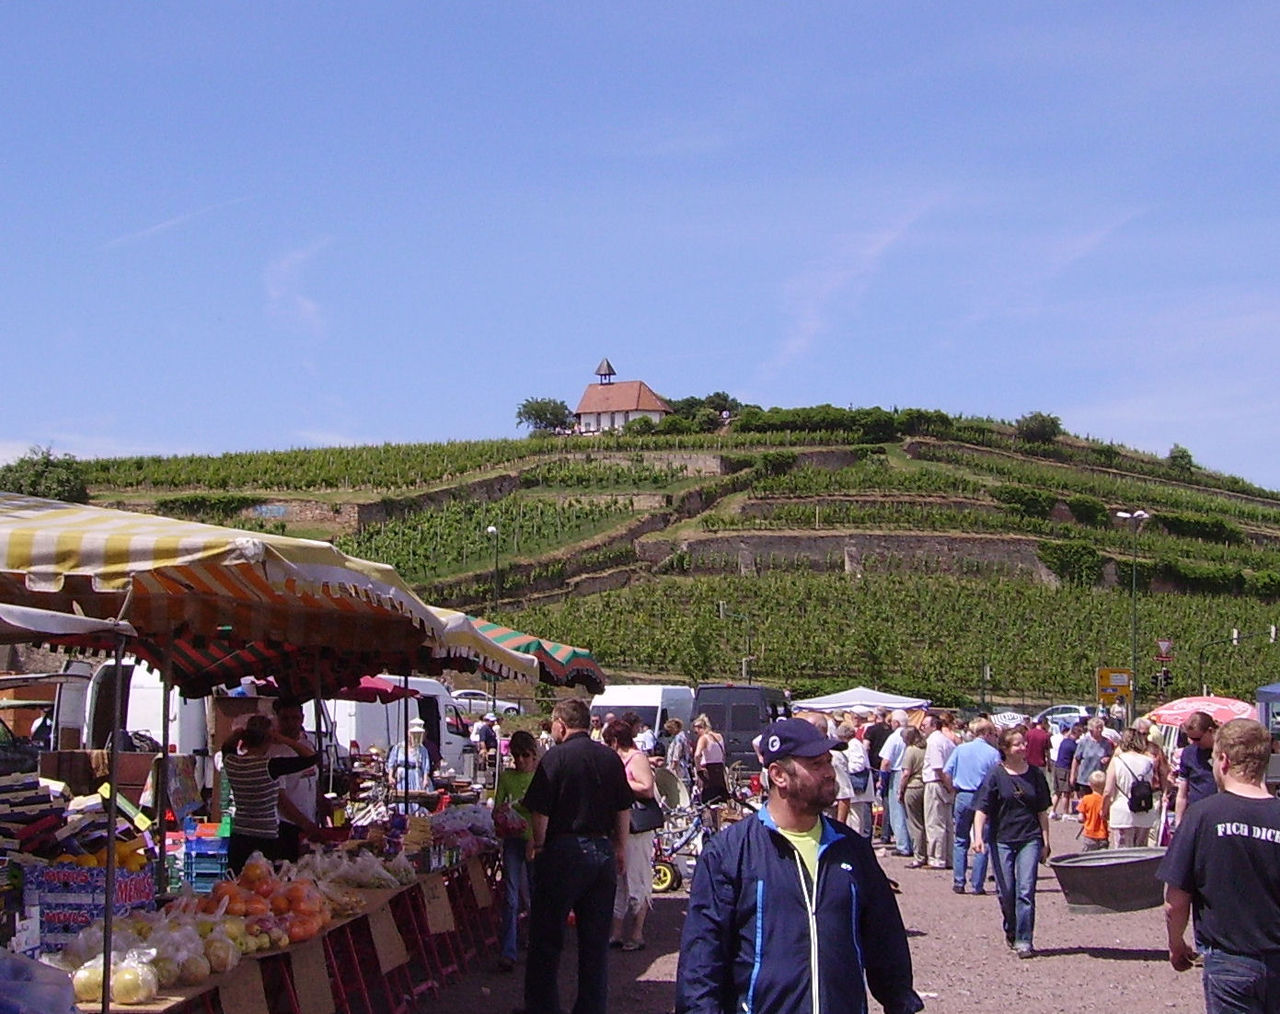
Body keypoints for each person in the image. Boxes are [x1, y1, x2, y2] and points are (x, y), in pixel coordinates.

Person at [676, 717, 923, 1014]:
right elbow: (702, 957)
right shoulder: (729, 853)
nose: (829, 773)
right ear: (779, 775)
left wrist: (900, 1002)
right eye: (816, 764)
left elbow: (885, 941)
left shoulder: (852, 849)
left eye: (828, 762)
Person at [519, 699, 633, 1014]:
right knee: (595, 944)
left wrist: (539, 845)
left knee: (547, 937)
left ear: (562, 724)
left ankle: (542, 1008)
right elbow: (624, 807)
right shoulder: (610, 759)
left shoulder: (555, 758)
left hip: (564, 850)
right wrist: (621, 847)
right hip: (602, 850)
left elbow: (540, 811)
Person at [1159, 718, 1280, 1010]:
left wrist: (1177, 946)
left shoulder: (1202, 816)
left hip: (1229, 962)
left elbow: (1175, 900)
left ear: (1223, 760)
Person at [972, 726, 1052, 959]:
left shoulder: (1036, 775)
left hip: (1030, 838)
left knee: (1025, 890)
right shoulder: (995, 775)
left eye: (1023, 743)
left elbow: (1042, 811)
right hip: (1001, 839)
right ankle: (1011, 928)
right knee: (1006, 890)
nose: (1023, 747)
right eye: (1017, 744)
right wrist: (978, 837)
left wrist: (1046, 841)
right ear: (1005, 749)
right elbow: (982, 809)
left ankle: (1024, 939)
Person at [220, 714, 318, 873]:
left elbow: (226, 747)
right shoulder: (270, 766)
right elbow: (310, 757)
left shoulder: (232, 762)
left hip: (240, 836)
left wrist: (238, 734)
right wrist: (283, 738)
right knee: (265, 888)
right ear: (268, 739)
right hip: (267, 838)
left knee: (238, 886)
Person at [602, 718, 656, 951]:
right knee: (619, 880)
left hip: (637, 827)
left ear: (615, 741)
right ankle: (615, 932)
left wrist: (621, 782)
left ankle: (637, 933)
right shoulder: (618, 759)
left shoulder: (637, 758)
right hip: (619, 826)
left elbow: (647, 787)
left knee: (637, 878)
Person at [494, 730, 538, 972]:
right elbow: (498, 806)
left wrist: (534, 840)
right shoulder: (507, 777)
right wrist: (501, 813)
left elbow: (541, 813)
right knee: (511, 897)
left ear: (533, 756)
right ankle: (508, 950)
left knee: (533, 895)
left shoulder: (539, 777)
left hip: (534, 841)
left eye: (525, 755)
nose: (520, 760)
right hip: (512, 840)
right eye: (516, 755)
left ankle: (535, 942)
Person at [944, 717, 1000, 894]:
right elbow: (997, 777)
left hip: (963, 794)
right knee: (983, 840)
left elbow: (946, 771)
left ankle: (959, 881)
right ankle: (977, 884)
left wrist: (951, 787)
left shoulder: (961, 749)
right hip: (983, 797)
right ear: (986, 733)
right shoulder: (992, 753)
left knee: (960, 839)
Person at [267, 698, 322, 861]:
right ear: (277, 719)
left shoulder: (307, 745)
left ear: (302, 719)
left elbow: (313, 779)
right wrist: (304, 823)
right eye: (285, 719)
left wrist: (321, 800)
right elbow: (279, 798)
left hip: (309, 822)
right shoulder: (275, 752)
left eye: (295, 718)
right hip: (286, 826)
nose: (291, 723)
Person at [1103, 726, 1159, 848]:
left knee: (1122, 856)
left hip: (1122, 812)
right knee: (1140, 856)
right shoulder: (1149, 761)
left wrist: (1104, 809)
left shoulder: (1117, 761)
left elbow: (1108, 790)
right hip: (1144, 811)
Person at [922, 712, 956, 869]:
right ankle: (948, 857)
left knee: (935, 823)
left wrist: (947, 784)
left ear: (934, 726)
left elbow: (938, 767)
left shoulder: (934, 741)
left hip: (936, 782)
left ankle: (937, 858)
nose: (923, 729)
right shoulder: (947, 741)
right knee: (947, 823)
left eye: (925, 726)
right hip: (945, 783)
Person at [1174, 711, 1219, 828]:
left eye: (1198, 738)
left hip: (1219, 813)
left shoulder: (1225, 752)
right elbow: (1182, 793)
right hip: (1195, 813)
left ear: (1210, 731)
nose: (1194, 742)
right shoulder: (1188, 753)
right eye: (1190, 738)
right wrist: (1178, 822)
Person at [879, 710, 913, 857]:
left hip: (897, 772)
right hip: (910, 772)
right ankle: (910, 843)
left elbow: (886, 761)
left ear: (896, 722)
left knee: (896, 810)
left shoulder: (894, 737)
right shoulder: (911, 735)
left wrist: (882, 778)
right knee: (908, 812)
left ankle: (903, 845)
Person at [834, 720, 875, 835]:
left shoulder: (854, 744)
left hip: (858, 787)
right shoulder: (852, 744)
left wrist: (844, 768)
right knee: (852, 817)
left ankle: (858, 838)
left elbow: (858, 765)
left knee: (856, 817)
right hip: (853, 788)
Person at [387, 717, 435, 813]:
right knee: (401, 801)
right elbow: (391, 762)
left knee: (415, 799)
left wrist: (425, 779)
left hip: (415, 775)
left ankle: (414, 816)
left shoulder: (422, 749)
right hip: (402, 776)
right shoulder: (398, 747)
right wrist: (390, 776)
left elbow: (425, 766)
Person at [899, 727, 928, 869]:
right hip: (925, 786)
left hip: (912, 787)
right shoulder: (926, 748)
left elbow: (906, 774)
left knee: (915, 824)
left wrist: (900, 790)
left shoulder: (910, 750)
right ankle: (928, 853)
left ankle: (919, 856)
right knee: (926, 822)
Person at [1069, 717, 1113, 800]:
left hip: (1099, 780)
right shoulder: (1084, 742)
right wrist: (1072, 775)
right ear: (1091, 729)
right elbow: (1076, 759)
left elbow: (1111, 757)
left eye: (1101, 728)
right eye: (1097, 728)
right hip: (1084, 778)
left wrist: (1108, 759)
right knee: (1084, 802)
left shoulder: (1106, 743)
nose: (1100, 730)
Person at [692, 714, 729, 805]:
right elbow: (723, 754)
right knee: (721, 800)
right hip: (719, 771)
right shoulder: (719, 736)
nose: (697, 735)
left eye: (696, 732)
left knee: (708, 802)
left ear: (700, 727)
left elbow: (697, 755)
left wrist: (698, 769)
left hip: (709, 771)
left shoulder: (704, 738)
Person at [1051, 722, 1084, 819]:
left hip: (1057, 767)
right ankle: (1065, 813)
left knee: (1057, 792)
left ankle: (1052, 811)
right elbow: (1077, 759)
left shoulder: (1064, 741)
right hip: (1065, 769)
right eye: (1080, 733)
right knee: (1066, 792)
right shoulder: (1073, 745)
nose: (1080, 736)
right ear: (1076, 733)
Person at [1077, 770, 1109, 850]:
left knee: (1088, 857)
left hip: (1089, 834)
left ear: (1090, 785)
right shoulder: (1105, 801)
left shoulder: (1086, 799)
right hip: (1103, 834)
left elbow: (1081, 818)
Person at [663, 718, 692, 788]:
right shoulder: (683, 737)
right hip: (683, 767)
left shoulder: (678, 738)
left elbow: (676, 756)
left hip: (678, 769)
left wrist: (671, 769)